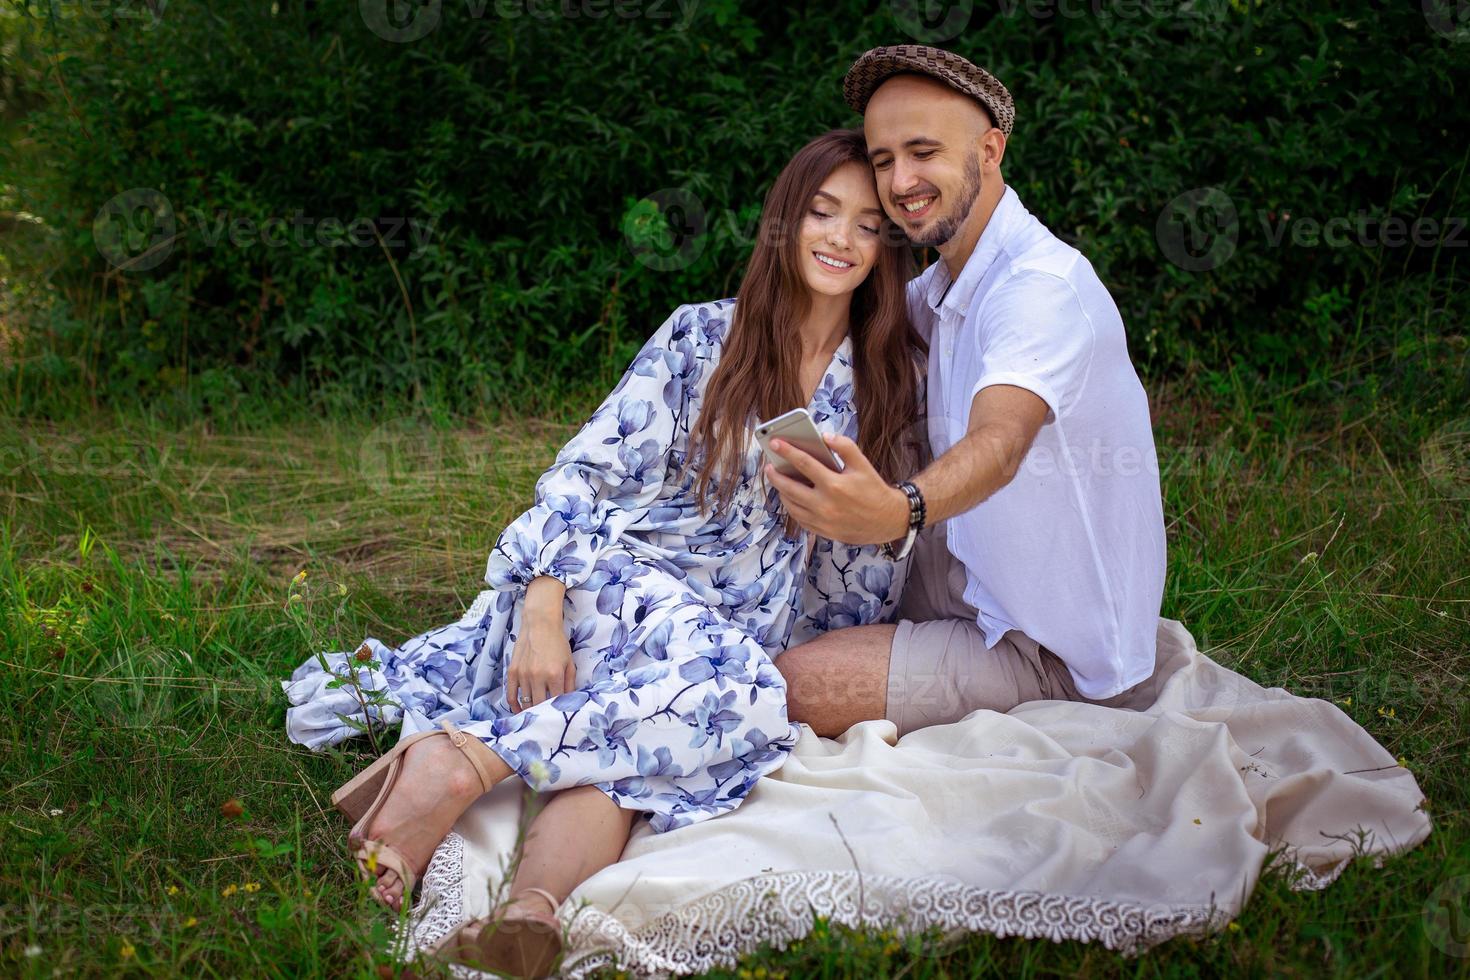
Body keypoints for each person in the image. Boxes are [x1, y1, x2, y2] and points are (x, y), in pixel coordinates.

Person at [280, 128, 928, 974]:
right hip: (612, 584)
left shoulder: (883, 387)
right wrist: (542, 606)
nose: (842, 239)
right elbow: (584, 477)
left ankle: (528, 910)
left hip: (710, 641)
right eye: (822, 212)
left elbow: (851, 597)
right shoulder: (704, 337)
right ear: (784, 222)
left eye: (869, 225)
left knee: (639, 762)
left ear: (886, 250)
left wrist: (859, 517)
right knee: (742, 696)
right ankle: (461, 767)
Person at [768, 45, 1170, 738]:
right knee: (741, 612)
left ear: (989, 150)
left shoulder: (1038, 291)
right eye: (884, 159)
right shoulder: (938, 289)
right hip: (958, 579)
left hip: (1045, 649)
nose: (900, 181)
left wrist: (900, 510)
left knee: (786, 684)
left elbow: (1001, 440)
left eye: (923, 151)